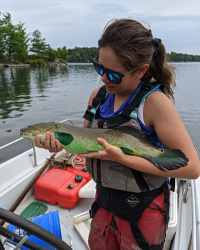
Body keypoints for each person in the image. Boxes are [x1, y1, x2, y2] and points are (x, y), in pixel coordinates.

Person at [35, 19, 200, 250]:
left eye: (113, 75)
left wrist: (122, 158)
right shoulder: (98, 96)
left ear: (141, 70)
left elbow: (192, 168)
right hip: (103, 202)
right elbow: (84, 142)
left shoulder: (155, 104)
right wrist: (59, 145)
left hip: (143, 210)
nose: (103, 78)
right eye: (99, 68)